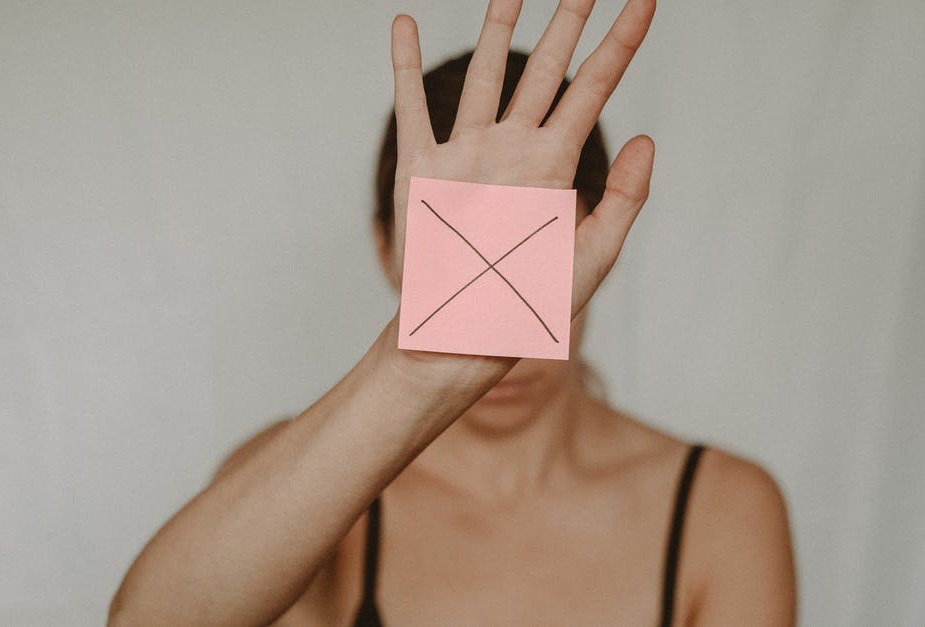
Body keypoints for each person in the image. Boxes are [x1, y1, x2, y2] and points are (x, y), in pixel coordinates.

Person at [109, 1, 795, 625]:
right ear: (386, 249)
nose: (507, 342)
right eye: (452, 253)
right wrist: (414, 370)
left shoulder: (721, 509)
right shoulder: (303, 485)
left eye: (537, 252)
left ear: (599, 250)